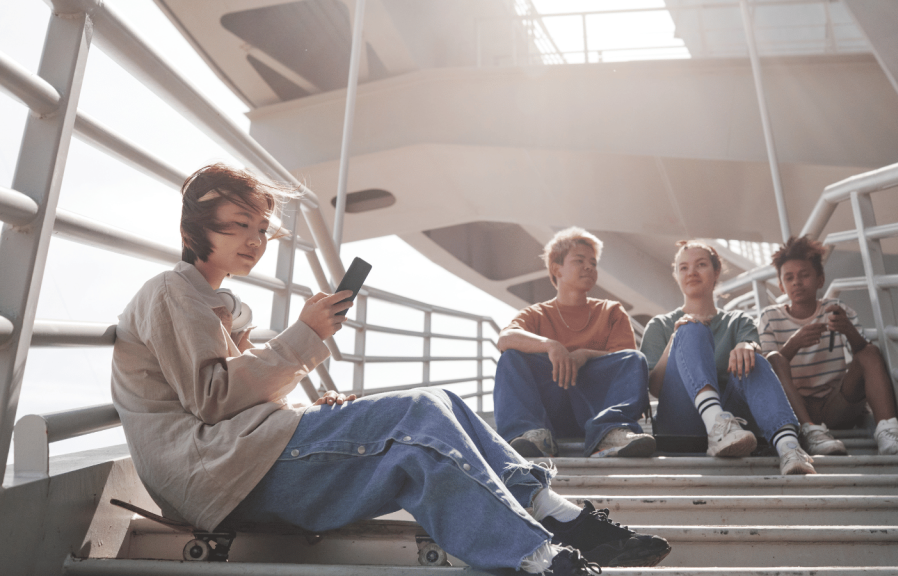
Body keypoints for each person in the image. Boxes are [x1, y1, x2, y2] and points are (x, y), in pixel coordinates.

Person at [110, 164, 671, 574]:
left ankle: (552, 519)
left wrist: (303, 406)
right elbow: (212, 399)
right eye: (238, 225)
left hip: (242, 463)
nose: (255, 241)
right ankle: (542, 551)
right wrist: (303, 336)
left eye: (261, 229)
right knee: (419, 415)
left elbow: (236, 401)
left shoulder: (221, 304)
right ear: (194, 229)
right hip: (214, 475)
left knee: (440, 408)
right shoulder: (172, 293)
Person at [639, 240, 816, 476]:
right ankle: (715, 423)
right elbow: (655, 388)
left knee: (755, 359)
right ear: (676, 275)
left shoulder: (738, 321)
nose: (691, 272)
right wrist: (676, 340)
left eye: (700, 264)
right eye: (683, 267)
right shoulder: (660, 325)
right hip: (683, 422)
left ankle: (789, 447)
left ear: (716, 271)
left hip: (737, 426)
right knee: (691, 328)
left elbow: (754, 359)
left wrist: (747, 345)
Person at [758, 236, 898, 456]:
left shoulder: (836, 309)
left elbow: (864, 355)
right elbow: (767, 373)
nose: (797, 282)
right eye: (789, 277)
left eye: (804, 275)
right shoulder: (770, 317)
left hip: (836, 406)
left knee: (869, 351)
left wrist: (848, 330)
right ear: (781, 284)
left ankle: (889, 434)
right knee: (773, 357)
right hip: (795, 409)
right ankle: (811, 432)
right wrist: (794, 344)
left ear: (820, 279)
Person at [494, 227, 656, 460]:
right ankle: (531, 436)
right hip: (550, 412)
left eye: (593, 262)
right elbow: (506, 338)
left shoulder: (610, 311)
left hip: (595, 408)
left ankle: (609, 434)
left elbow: (625, 357)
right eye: (579, 260)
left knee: (635, 359)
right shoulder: (536, 313)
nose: (589, 266)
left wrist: (585, 354)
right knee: (511, 357)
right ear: (556, 268)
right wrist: (551, 345)